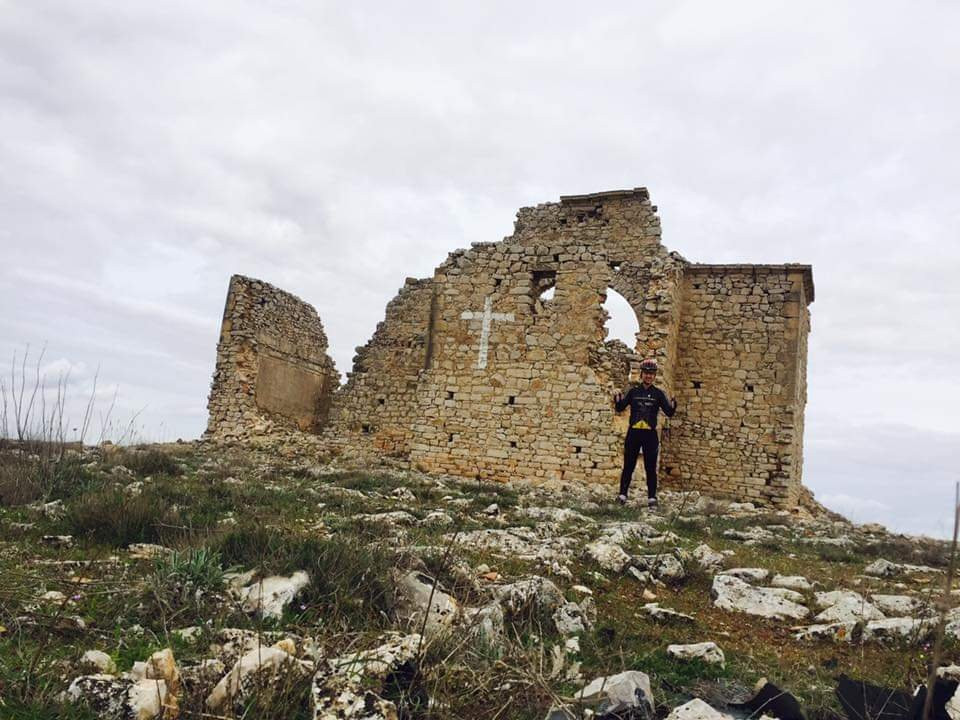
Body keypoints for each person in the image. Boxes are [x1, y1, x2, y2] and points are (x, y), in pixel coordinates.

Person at [612, 358, 677, 508]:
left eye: (651, 374)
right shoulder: (633, 392)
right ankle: (622, 495)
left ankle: (652, 498)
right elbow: (621, 407)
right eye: (646, 373)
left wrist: (674, 403)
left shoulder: (658, 394)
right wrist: (617, 397)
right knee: (628, 465)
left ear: (654, 376)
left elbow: (669, 412)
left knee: (650, 467)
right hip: (634, 432)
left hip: (650, 434)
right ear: (642, 374)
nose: (649, 376)